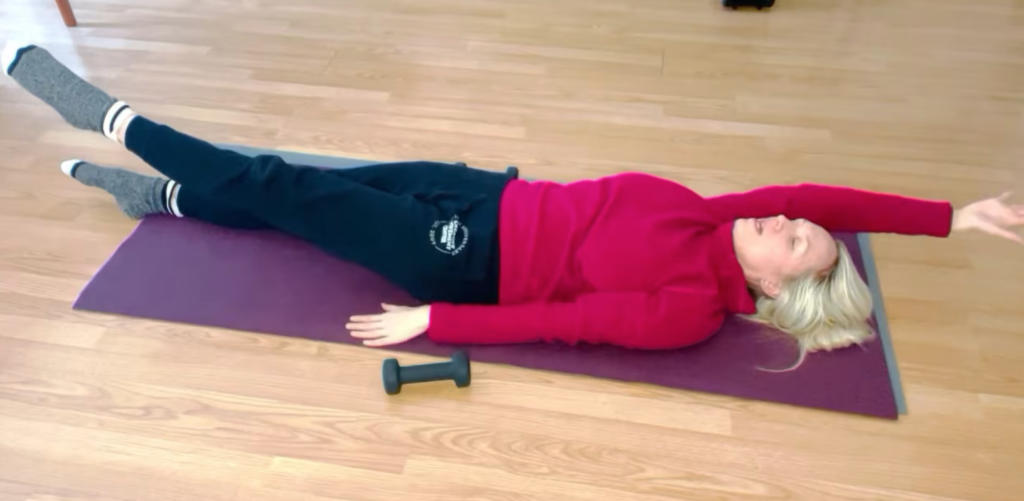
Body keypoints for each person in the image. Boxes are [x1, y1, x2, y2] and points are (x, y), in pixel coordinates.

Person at [5, 42, 1023, 364]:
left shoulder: (686, 308)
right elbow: (814, 185)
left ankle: (113, 120)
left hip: (456, 255)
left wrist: (435, 320)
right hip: (477, 190)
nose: (788, 219)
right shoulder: (715, 216)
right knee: (298, 201)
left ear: (772, 286)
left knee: (276, 180)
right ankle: (166, 199)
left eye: (796, 241)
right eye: (795, 221)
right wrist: (950, 217)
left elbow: (560, 323)